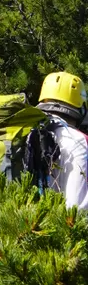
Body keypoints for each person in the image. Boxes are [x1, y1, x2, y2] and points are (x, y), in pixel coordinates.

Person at [36, 71, 88, 211]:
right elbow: (77, 207)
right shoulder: (78, 140)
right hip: (57, 228)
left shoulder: (27, 130)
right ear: (81, 108)